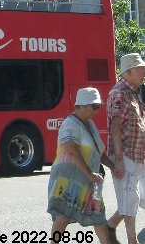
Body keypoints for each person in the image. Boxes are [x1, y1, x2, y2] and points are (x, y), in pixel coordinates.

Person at [47, 87, 114, 244]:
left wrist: (113, 166)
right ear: (82, 105)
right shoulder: (69, 124)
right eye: (94, 107)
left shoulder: (90, 124)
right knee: (63, 217)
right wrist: (90, 173)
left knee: (99, 217)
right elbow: (71, 149)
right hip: (69, 180)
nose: (97, 111)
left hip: (89, 181)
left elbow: (98, 151)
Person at [105, 53, 145, 244]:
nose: (143, 72)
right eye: (140, 69)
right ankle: (132, 240)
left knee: (134, 198)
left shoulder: (133, 92)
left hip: (137, 154)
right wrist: (118, 159)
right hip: (126, 154)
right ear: (128, 72)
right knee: (130, 199)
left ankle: (110, 227)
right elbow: (115, 127)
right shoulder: (120, 93)